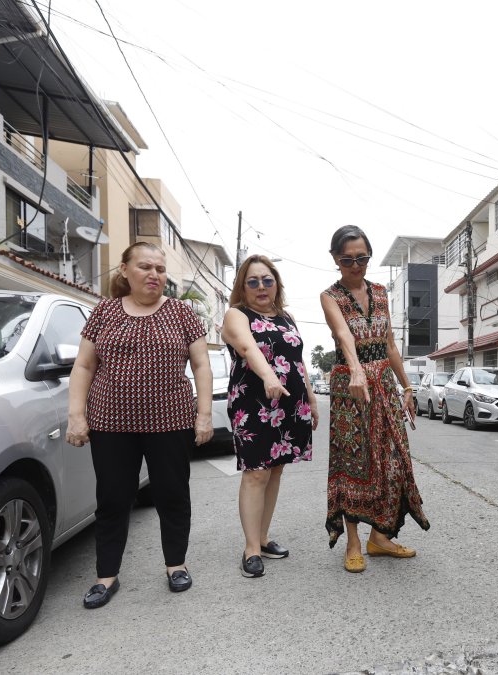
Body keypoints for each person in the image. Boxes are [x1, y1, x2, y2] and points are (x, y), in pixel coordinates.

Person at [66, 241, 214, 609]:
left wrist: (204, 413)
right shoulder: (104, 312)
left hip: (170, 421)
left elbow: (201, 365)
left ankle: (175, 565)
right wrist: (77, 414)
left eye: (160, 269)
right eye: (146, 267)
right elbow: (84, 366)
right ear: (125, 271)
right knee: (113, 499)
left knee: (172, 496)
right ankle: (106, 577)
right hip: (111, 423)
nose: (154, 275)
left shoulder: (182, 312)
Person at [320, 225, 430, 573]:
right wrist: (355, 370)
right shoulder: (330, 296)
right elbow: (342, 334)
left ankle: (379, 536)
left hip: (383, 384)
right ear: (336, 260)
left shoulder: (381, 293)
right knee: (353, 463)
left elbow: (390, 347)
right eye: (347, 259)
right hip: (349, 388)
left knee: (393, 460)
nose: (356, 265)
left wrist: (408, 387)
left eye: (362, 258)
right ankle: (353, 542)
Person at [221, 255, 317, 578]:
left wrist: (312, 401)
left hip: (290, 404)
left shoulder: (287, 317)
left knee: (275, 471)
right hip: (254, 401)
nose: (261, 287)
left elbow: (299, 362)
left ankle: (262, 539)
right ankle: (250, 549)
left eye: (267, 280)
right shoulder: (236, 314)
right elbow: (248, 349)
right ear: (243, 287)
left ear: (276, 283)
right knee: (256, 473)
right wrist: (269, 376)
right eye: (253, 281)